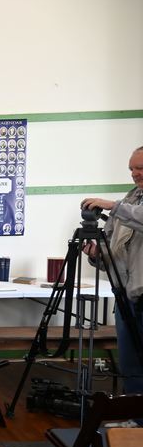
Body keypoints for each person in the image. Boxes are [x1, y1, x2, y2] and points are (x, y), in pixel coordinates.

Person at [82, 145, 143, 421]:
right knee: (131, 364)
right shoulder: (130, 200)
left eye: (140, 168)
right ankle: (135, 418)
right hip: (127, 296)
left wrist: (113, 207)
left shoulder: (125, 207)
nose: (134, 174)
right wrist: (97, 254)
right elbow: (115, 254)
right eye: (131, 168)